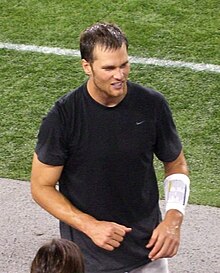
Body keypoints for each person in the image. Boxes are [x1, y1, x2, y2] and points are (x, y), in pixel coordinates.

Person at [31, 22, 190, 273]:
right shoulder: (63, 117)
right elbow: (41, 186)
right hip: (87, 256)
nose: (120, 75)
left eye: (124, 64)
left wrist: (173, 218)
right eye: (109, 68)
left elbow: (176, 164)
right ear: (87, 66)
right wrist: (89, 225)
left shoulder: (152, 105)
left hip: (149, 251)